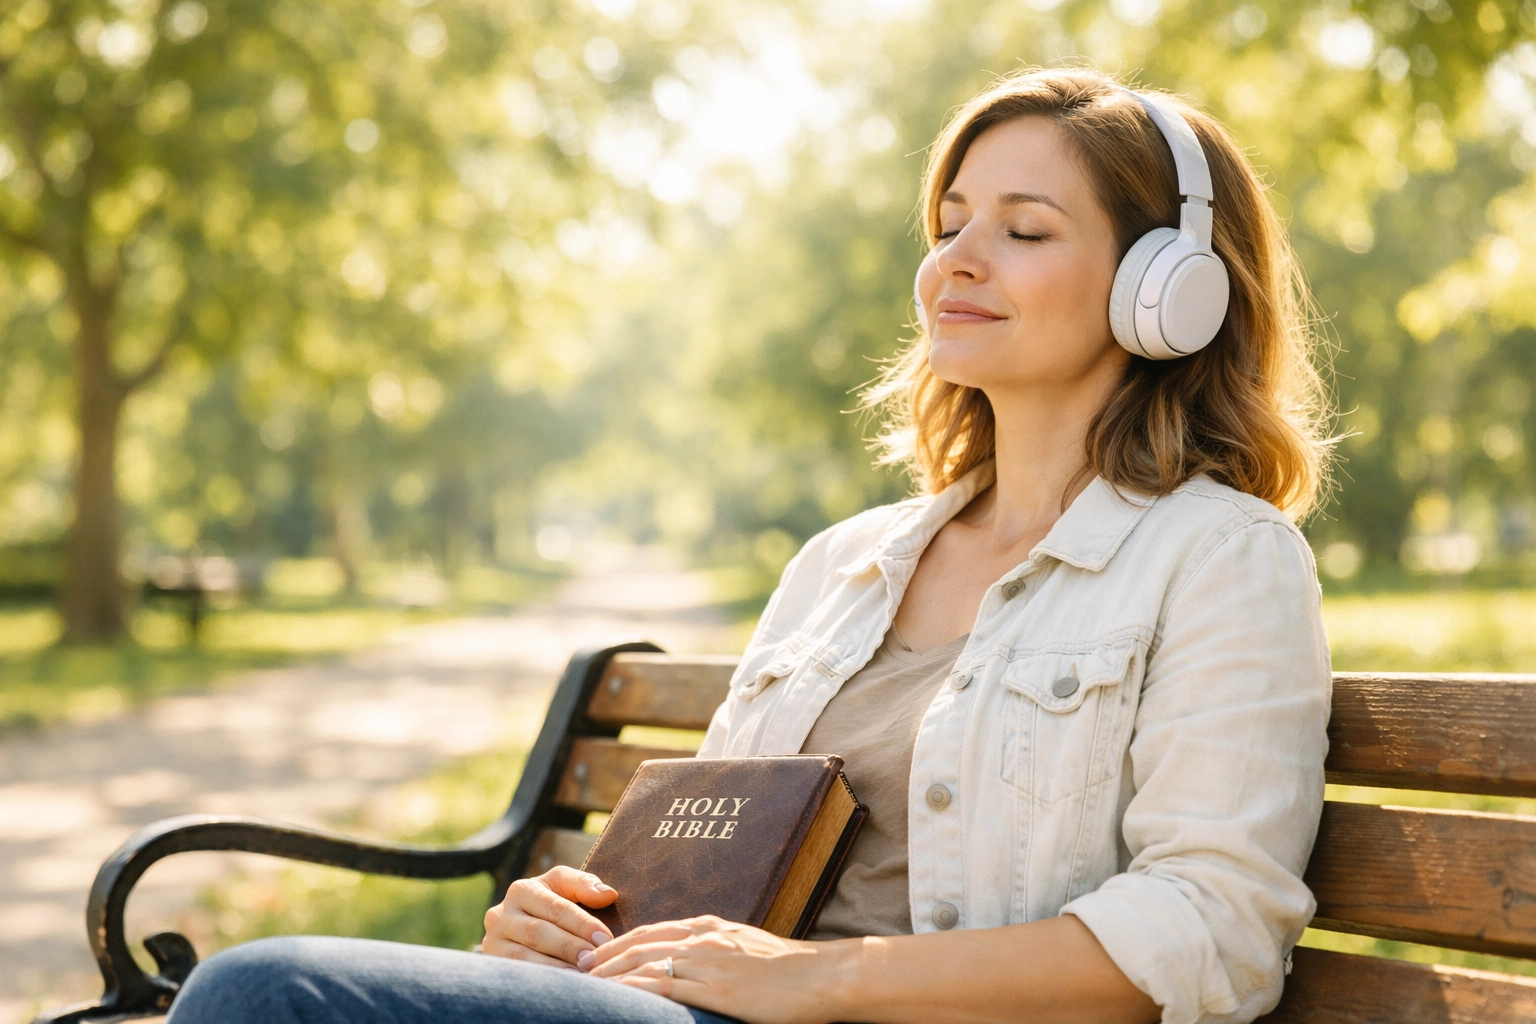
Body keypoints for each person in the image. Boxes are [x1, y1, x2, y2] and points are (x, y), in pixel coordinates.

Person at [167, 65, 1333, 1024]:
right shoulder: (843, 565)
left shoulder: (1219, 558)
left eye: (1024, 229)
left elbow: (1211, 928)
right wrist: (565, 926)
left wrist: (820, 980)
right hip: (693, 1013)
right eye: (948, 225)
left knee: (263, 992)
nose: (957, 260)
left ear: (1164, 290)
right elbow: (706, 865)